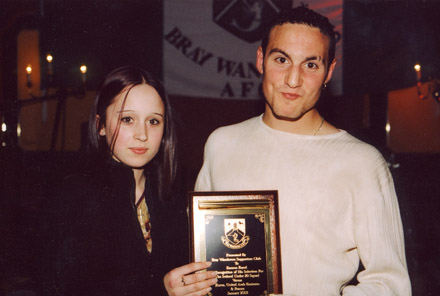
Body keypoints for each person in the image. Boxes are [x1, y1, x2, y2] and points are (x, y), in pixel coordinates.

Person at [195, 6, 411, 295]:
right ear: (261, 60)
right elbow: (202, 255)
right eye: (281, 59)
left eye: (310, 65)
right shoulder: (221, 144)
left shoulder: (361, 162)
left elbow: (390, 285)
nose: (293, 80)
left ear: (328, 72)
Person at [43, 66, 217, 296]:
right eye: (128, 119)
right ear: (100, 125)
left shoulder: (171, 201)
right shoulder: (73, 197)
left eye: (153, 121)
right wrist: (159, 291)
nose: (142, 134)